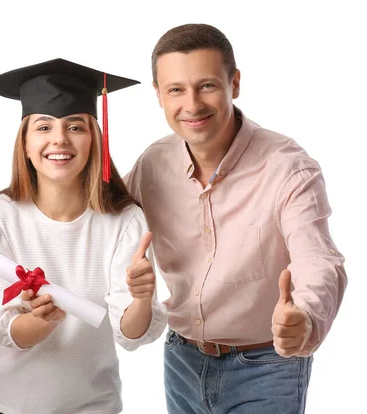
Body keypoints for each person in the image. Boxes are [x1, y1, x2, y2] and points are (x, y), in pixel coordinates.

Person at [124, 24, 348, 413]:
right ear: (159, 95)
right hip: (181, 359)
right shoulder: (153, 164)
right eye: (176, 89)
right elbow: (100, 217)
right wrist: (18, 206)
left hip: (267, 366)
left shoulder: (288, 169)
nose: (192, 104)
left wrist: (307, 318)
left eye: (207, 85)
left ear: (235, 83)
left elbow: (319, 260)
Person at [0, 58, 167, 414]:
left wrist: (141, 298)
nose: (59, 139)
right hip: (3, 404)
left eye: (75, 127)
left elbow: (131, 334)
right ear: (25, 144)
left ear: (94, 139)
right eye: (43, 127)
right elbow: (3, 329)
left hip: (92, 405)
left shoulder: (124, 220)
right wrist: (39, 322)